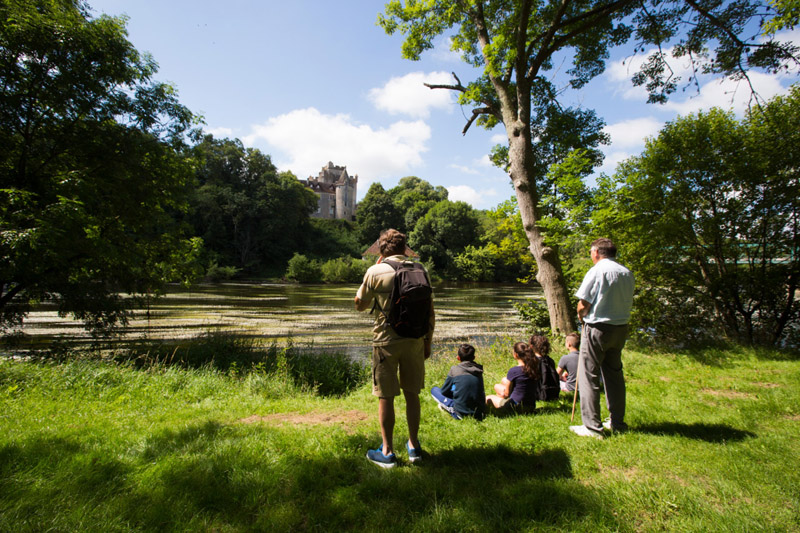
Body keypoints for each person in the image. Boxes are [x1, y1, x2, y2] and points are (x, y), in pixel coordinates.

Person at [355, 229, 435, 468]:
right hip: (415, 340)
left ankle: (387, 451)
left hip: (386, 341)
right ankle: (413, 447)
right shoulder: (422, 271)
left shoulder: (375, 271)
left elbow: (360, 305)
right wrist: (427, 342)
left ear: (381, 249)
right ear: (404, 248)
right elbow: (430, 312)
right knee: (412, 394)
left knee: (386, 396)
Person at [570, 238, 635, 439]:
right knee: (614, 374)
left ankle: (591, 427)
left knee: (589, 375)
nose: (590, 255)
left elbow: (583, 302)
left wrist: (580, 315)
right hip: (620, 328)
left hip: (598, 327)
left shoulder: (597, 270)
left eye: (591, 251)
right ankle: (617, 422)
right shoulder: (626, 272)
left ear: (597, 252)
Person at [431, 343, 485, 420]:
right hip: (479, 413)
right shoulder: (479, 370)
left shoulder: (455, 370)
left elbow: (444, 391)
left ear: (458, 358)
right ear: (474, 357)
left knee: (434, 390)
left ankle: (450, 408)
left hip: (461, 414)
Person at [485, 342, 539, 415]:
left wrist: (503, 394)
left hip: (516, 407)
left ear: (516, 355)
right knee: (498, 387)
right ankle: (500, 408)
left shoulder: (514, 371)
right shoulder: (534, 368)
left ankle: (497, 411)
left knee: (489, 397)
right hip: (531, 406)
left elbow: (507, 394)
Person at [530, 334, 560, 402]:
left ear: (531, 346)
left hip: (539, 394)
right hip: (553, 393)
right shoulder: (550, 360)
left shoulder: (532, 362)